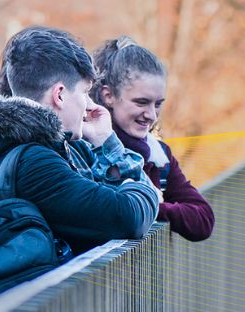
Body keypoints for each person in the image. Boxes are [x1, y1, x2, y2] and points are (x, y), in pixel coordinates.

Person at [0, 27, 161, 312]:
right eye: (84, 93)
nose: (88, 106)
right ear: (59, 94)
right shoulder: (37, 160)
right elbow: (128, 215)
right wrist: (108, 142)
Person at [90, 36, 214, 242]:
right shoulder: (87, 150)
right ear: (108, 95)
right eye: (141, 102)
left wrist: (151, 207)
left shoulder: (160, 156)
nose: (152, 115)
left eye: (157, 104)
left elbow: (203, 220)